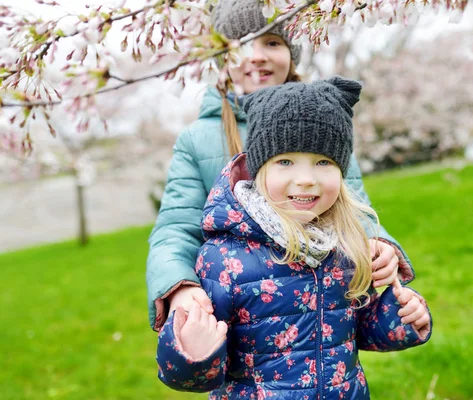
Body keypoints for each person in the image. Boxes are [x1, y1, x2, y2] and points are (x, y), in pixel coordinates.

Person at [146, 0, 414, 332]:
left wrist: (379, 244)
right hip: (241, 308)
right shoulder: (198, 139)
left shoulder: (324, 122)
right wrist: (180, 284)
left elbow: (353, 206)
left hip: (319, 301)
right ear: (221, 59)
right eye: (241, 44)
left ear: (291, 52)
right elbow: (176, 227)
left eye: (272, 42)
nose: (257, 55)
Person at [156, 77, 432, 399]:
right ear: (259, 171)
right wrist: (192, 350)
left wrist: (397, 316)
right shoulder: (224, 260)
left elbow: (353, 329)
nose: (305, 180)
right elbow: (198, 376)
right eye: (285, 162)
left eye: (323, 162)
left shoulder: (344, 245)